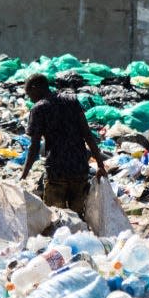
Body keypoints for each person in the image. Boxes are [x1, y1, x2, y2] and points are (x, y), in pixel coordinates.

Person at [19, 73, 107, 216]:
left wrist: (25, 173)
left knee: (55, 218)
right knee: (77, 217)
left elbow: (34, 146)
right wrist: (100, 165)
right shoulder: (71, 101)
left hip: (56, 172)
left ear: (35, 88)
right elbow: (88, 135)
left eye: (29, 94)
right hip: (79, 170)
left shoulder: (39, 109)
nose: (30, 98)